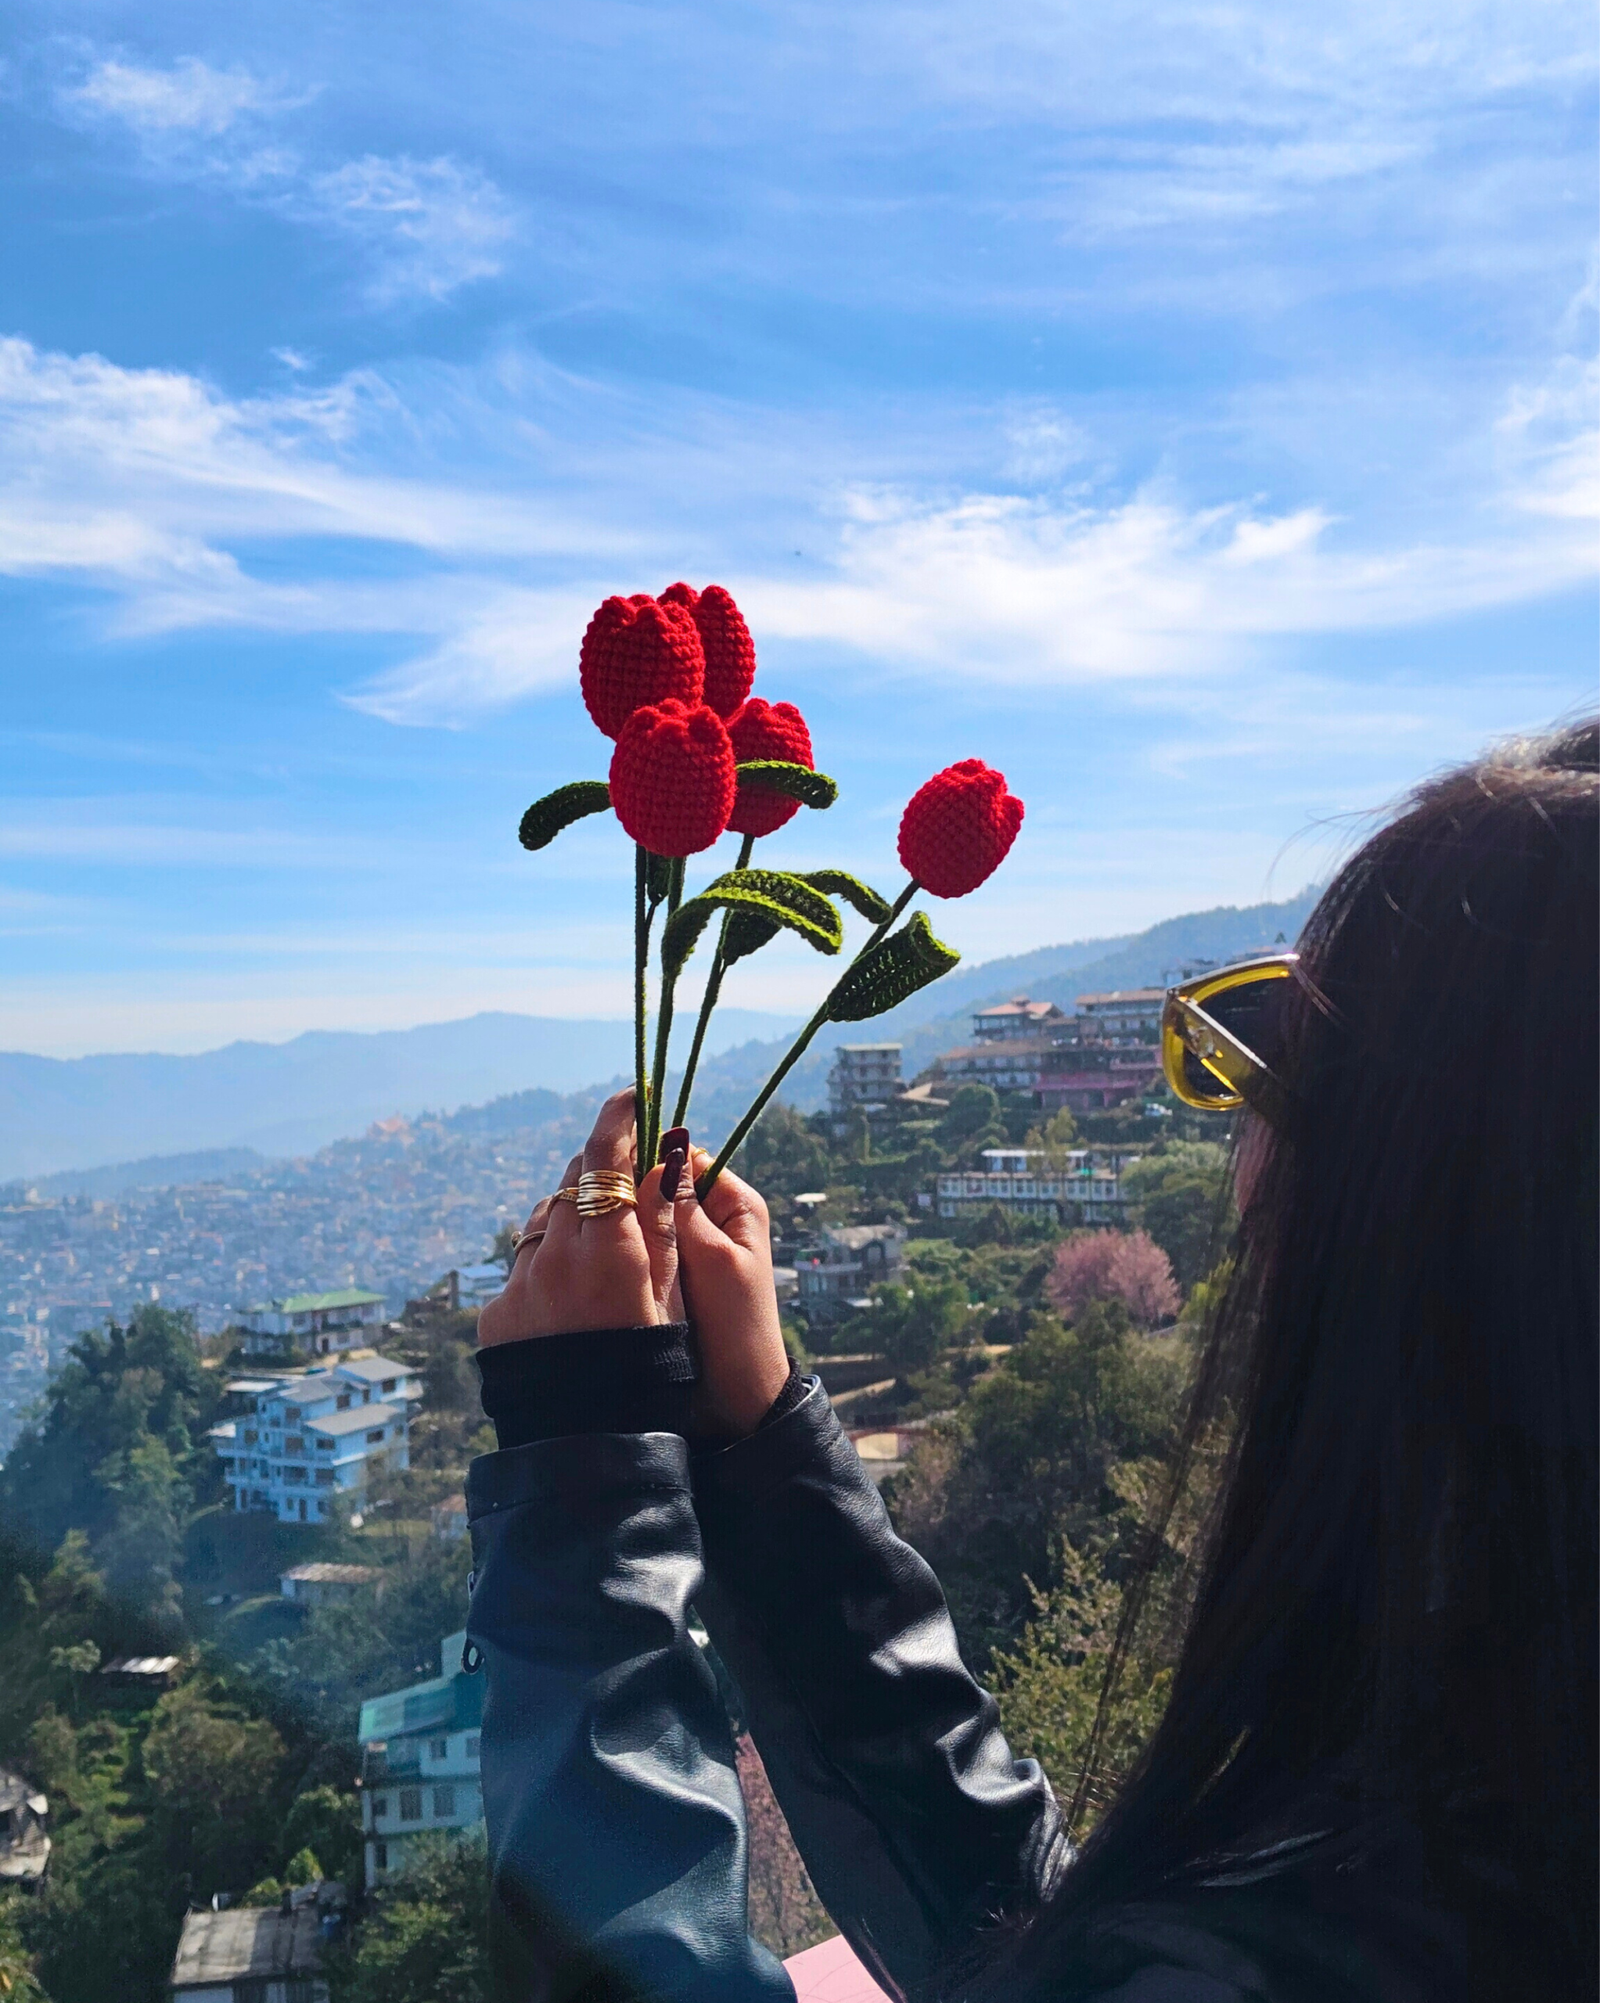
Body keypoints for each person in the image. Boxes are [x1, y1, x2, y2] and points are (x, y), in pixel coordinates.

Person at [466, 720, 1597, 2002]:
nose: (1240, 1161)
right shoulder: (1485, 1797)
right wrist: (765, 1457)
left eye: (1284, 1061)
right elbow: (1064, 1966)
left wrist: (580, 1518)